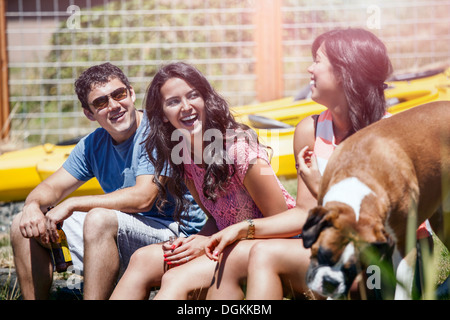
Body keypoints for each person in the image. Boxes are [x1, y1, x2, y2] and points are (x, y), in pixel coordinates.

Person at [204, 28, 404, 299]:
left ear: (346, 72)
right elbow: (303, 213)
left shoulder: (391, 133)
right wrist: (242, 228)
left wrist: (324, 188)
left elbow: (397, 225)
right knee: (259, 252)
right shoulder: (310, 130)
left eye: (318, 61)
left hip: (383, 260)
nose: (310, 68)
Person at [9, 62, 206, 300]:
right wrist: (32, 207)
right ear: (89, 113)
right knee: (22, 223)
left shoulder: (157, 132)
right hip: (123, 232)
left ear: (131, 94)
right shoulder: (93, 144)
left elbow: (143, 198)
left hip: (176, 236)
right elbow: (51, 187)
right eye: (101, 102)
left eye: (119, 94)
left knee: (99, 218)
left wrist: (72, 204)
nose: (114, 106)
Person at [109, 62, 296, 300]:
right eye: (173, 101)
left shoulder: (241, 150)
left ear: (206, 99)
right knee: (142, 259)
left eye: (193, 95)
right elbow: (216, 217)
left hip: (269, 244)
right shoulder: (182, 156)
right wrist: (193, 242)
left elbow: (280, 222)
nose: (186, 107)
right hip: (228, 242)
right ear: (163, 116)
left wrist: (209, 241)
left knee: (175, 278)